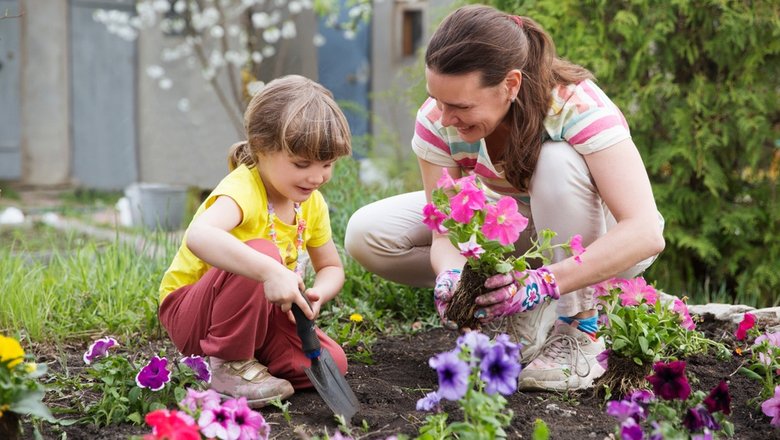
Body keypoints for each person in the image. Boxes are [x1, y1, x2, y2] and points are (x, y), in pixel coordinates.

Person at [345, 5, 665, 391]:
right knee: (368, 233)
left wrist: (544, 282)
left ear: (510, 85)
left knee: (557, 162)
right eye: (438, 99)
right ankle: (508, 306)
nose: (444, 117)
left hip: (601, 239)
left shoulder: (574, 106)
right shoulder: (439, 118)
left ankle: (579, 327)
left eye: (461, 106)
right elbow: (445, 229)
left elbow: (645, 230)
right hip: (518, 230)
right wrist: (452, 275)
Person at [158, 75, 352, 407]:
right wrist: (270, 271)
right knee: (263, 253)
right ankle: (226, 364)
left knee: (332, 360)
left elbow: (331, 266)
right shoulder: (242, 190)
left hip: (260, 316)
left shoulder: (310, 202)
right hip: (194, 315)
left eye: (327, 164)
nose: (317, 177)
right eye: (301, 164)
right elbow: (200, 236)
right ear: (261, 149)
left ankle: (248, 363)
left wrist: (319, 293)